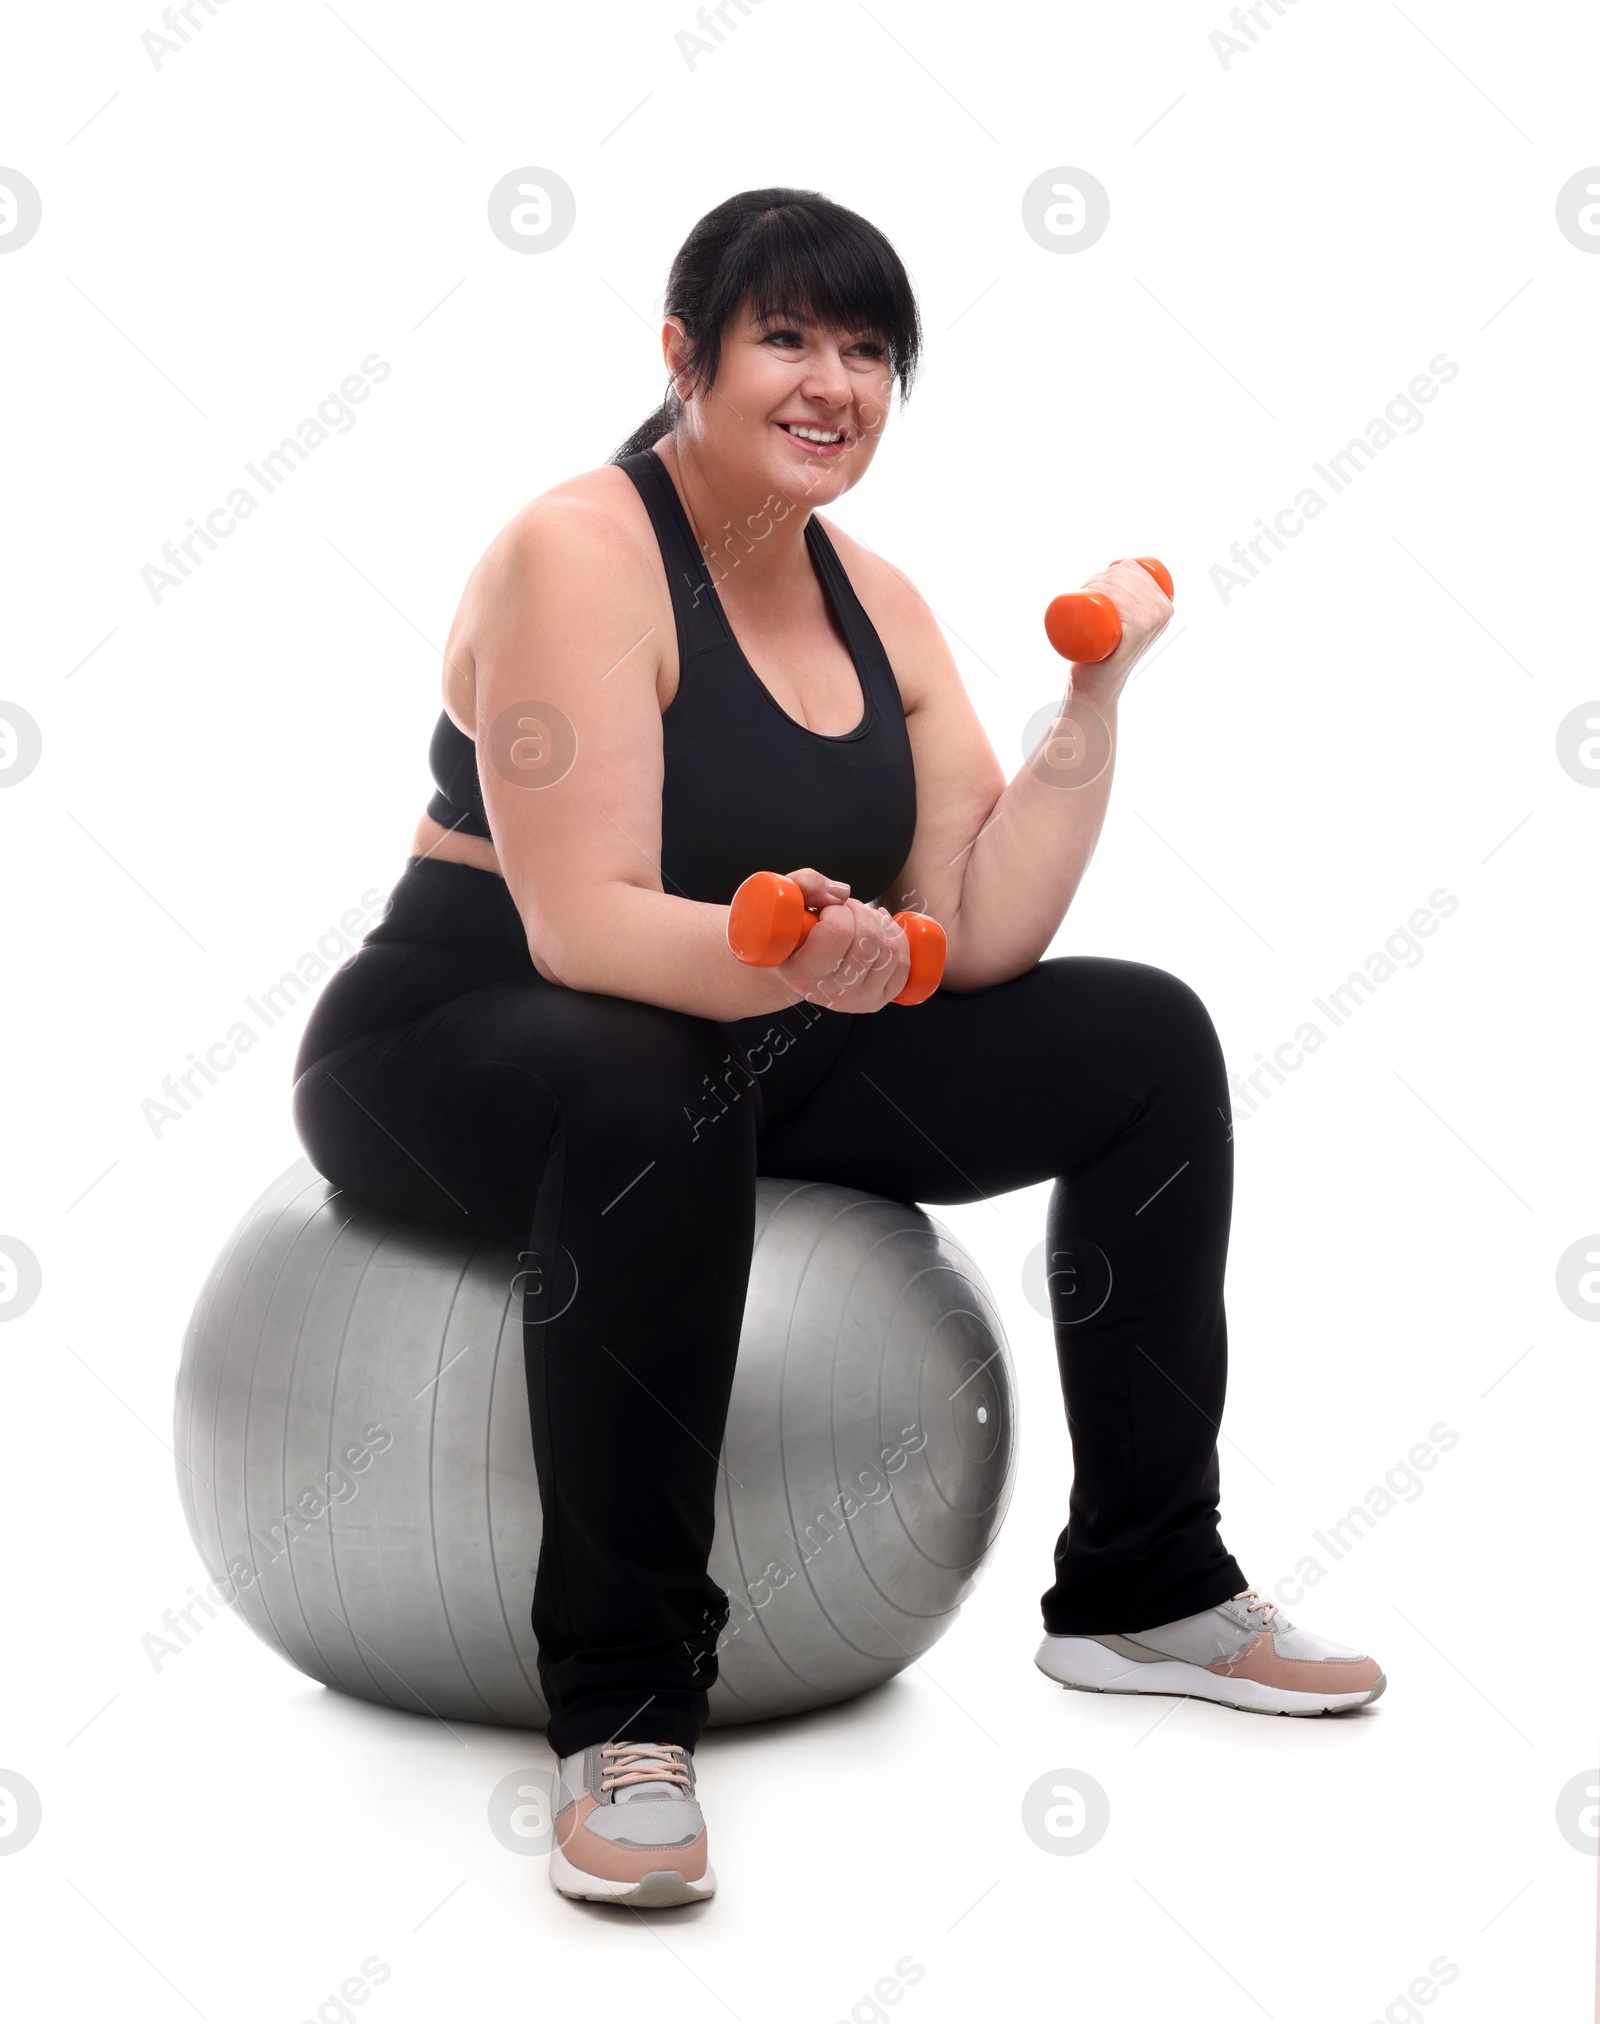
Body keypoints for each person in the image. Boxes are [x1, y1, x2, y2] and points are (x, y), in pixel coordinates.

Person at [291, 186, 1384, 1910]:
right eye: (787, 338)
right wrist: (799, 949)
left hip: (739, 1026)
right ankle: (627, 1715)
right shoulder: (575, 551)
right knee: (641, 1082)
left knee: (1143, 1037)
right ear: (685, 356)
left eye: (870, 351)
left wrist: (1089, 715)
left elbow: (983, 927)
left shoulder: (879, 603)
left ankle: (1147, 1588)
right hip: (461, 1032)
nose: (834, 384)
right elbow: (583, 932)